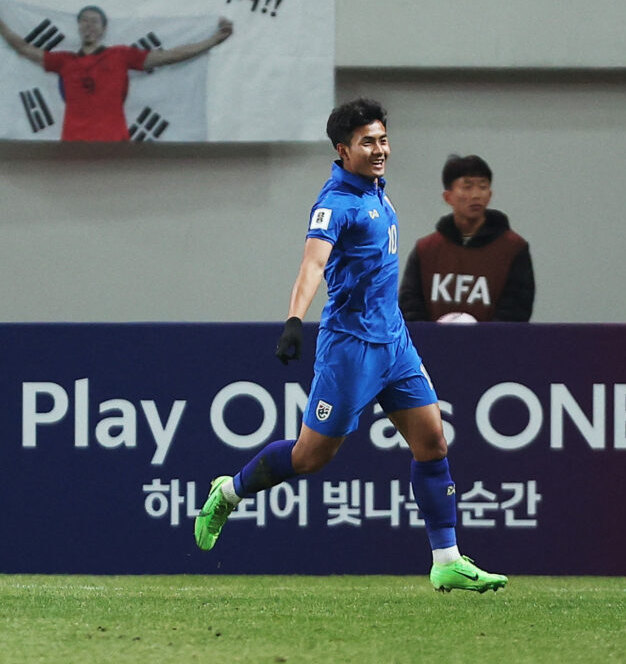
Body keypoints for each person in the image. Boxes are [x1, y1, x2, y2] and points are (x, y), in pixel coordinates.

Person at [193, 99, 508, 593]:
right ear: (343, 150)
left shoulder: (377, 193)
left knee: (432, 442)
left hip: (395, 342)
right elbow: (312, 265)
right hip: (350, 348)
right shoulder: (335, 203)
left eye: (383, 139)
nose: (380, 149)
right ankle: (228, 493)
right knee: (311, 457)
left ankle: (446, 559)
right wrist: (295, 319)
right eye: (368, 142)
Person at [0, 0, 233, 141]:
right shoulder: (64, 61)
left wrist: (214, 40)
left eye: (94, 21)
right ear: (78, 28)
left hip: (116, 145)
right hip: (73, 147)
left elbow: (170, 56)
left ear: (104, 29)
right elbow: (23, 48)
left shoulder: (121, 56)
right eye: (83, 21)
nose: (88, 26)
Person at [399, 154, 534, 322]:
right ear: (448, 197)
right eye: (467, 187)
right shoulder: (426, 250)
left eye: (483, 187)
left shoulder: (513, 248)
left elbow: (515, 310)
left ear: (490, 195)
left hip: (492, 347)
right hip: (432, 346)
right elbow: (410, 306)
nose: (476, 195)